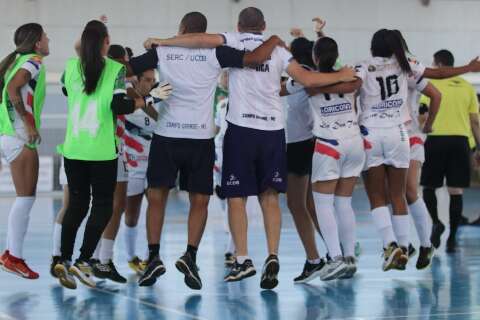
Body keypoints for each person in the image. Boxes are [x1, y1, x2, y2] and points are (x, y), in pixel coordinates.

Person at [147, 7, 356, 290]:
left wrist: (164, 41)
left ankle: (243, 257)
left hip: (241, 130)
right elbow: (308, 80)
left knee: (237, 198)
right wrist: (341, 74)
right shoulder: (281, 52)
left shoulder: (230, 40)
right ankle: (272, 254)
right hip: (272, 132)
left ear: (238, 25)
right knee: (270, 197)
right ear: (263, 26)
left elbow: (197, 40)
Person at [128, 11, 287, 290]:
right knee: (199, 201)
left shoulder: (162, 51)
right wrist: (273, 39)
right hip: (200, 137)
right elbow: (253, 59)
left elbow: (123, 70)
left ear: (181, 29)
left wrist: (138, 92)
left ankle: (153, 257)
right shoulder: (217, 53)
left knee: (156, 197)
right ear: (203, 33)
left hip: (167, 135)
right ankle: (190, 255)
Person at [53, 20, 144, 290]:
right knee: (104, 205)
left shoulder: (70, 67)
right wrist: (148, 100)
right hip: (101, 150)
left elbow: (67, 91)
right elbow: (119, 105)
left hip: (73, 148)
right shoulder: (115, 69)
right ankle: (83, 260)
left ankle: (64, 258)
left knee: (76, 205)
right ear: (106, 42)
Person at [357, 29, 426, 271]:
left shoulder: (364, 66)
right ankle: (405, 246)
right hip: (399, 133)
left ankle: (390, 244)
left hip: (371, 134)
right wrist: (464, 68)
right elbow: (437, 74)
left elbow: (350, 86)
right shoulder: (405, 65)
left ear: (373, 46)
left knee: (377, 196)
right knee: (399, 194)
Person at [300, 37, 365, 280]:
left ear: (315, 58)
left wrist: (318, 86)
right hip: (354, 141)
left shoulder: (310, 80)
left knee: (323, 204)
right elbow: (354, 85)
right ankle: (349, 257)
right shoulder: (349, 75)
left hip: (329, 142)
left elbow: (307, 86)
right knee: (344, 203)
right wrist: (341, 79)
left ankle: (336, 257)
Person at [0, 23, 49, 279]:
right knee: (25, 198)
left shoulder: (14, 61)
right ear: (37, 42)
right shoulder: (34, 60)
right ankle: (13, 257)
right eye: (45, 36)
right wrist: (29, 123)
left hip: (10, 134)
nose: (49, 39)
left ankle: (11, 255)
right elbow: (12, 89)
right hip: (19, 136)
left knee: (25, 198)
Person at [420, 49, 480, 253]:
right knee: (456, 191)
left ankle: (437, 222)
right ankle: (452, 239)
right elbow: (475, 122)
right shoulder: (467, 87)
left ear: (437, 65)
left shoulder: (431, 84)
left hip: (435, 140)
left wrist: (425, 127)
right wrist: (478, 147)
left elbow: (423, 114)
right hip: (460, 143)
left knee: (428, 187)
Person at [280, 37, 324, 283]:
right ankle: (337, 252)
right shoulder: (310, 75)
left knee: (296, 205)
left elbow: (274, 90)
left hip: (299, 145)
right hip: (308, 142)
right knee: (309, 205)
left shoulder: (300, 78)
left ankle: (315, 260)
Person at [122, 69, 164, 274]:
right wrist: (149, 98)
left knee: (156, 208)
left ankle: (152, 257)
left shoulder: (153, 98)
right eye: (147, 80)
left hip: (155, 163)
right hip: (133, 165)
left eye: (153, 81)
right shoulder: (127, 97)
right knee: (131, 213)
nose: (151, 84)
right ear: (136, 81)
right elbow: (155, 120)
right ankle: (130, 257)